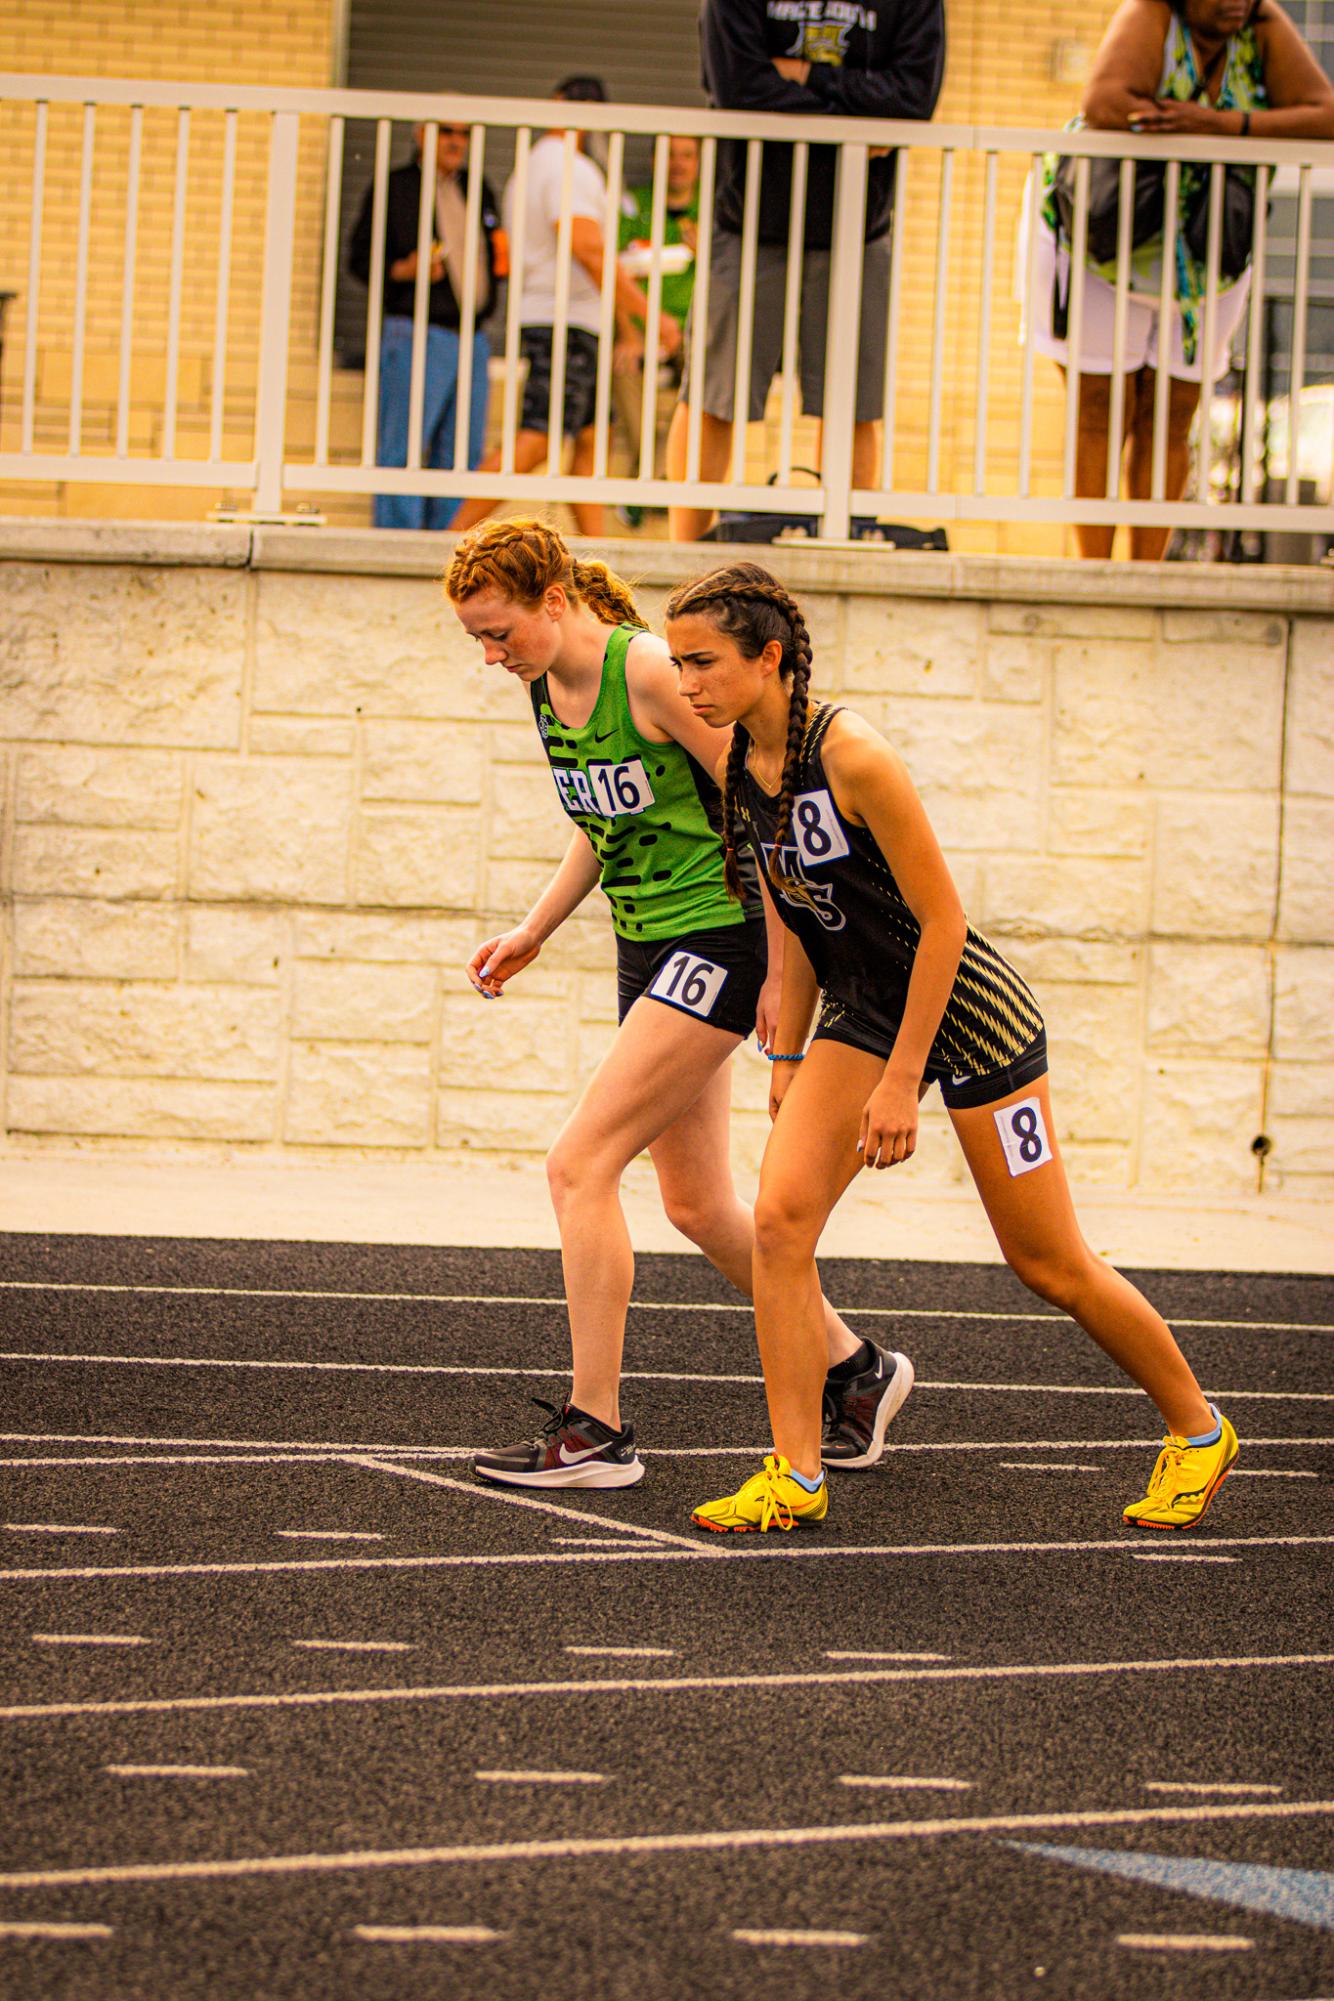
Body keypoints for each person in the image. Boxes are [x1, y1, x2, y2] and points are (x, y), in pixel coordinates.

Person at [662, 561, 1238, 1535]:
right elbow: (792, 919)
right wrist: (790, 1056)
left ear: (769, 657)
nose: (686, 685)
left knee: (1046, 1261)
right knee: (777, 1226)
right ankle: (795, 1475)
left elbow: (941, 924)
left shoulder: (853, 756)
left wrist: (897, 1087)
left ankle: (1196, 1430)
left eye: (703, 662)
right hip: (865, 1013)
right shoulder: (738, 765)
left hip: (968, 1016)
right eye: (677, 664)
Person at [444, 520, 911, 1490]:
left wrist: (784, 973)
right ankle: (854, 1370)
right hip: (644, 946)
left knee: (579, 1165)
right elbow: (604, 822)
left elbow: (762, 805)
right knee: (696, 1203)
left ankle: (596, 1430)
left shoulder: (650, 671)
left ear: (555, 601)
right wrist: (536, 927)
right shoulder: (546, 689)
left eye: (501, 633)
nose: (492, 658)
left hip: (718, 941)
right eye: (477, 641)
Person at [1023, 0, 1334, 560]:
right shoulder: (1151, 15)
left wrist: (1223, 127)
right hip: (1102, 233)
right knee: (1101, 402)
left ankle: (1146, 573)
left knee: (1172, 411)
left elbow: (1325, 115)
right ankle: (1093, 571)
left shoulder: (1261, 28)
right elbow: (1104, 103)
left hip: (1205, 249)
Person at [667, 0, 945, 542]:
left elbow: (913, 99)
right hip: (747, 219)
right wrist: (857, 103)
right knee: (712, 395)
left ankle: (846, 543)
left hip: (857, 224)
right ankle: (683, 557)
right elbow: (739, 87)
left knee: (853, 404)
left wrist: (805, 76)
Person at [450, 80, 681, 539]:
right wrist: (649, 316)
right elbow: (587, 249)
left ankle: (594, 562)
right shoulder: (564, 166)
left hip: (575, 319)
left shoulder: (540, 166)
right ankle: (444, 540)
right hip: (563, 322)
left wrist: (626, 323)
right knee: (537, 437)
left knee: (594, 438)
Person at [348, 122, 502, 530]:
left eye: (464, 134)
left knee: (461, 453)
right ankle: (396, 546)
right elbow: (358, 258)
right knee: (404, 448)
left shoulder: (477, 187)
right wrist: (403, 269)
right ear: (421, 134)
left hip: (472, 336)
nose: (456, 141)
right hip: (416, 329)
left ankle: (446, 555)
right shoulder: (398, 186)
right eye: (446, 131)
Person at [613, 135, 700, 503]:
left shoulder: (713, 214)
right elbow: (613, 274)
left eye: (686, 155)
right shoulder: (634, 206)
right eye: (669, 155)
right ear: (653, 160)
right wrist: (629, 334)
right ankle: (650, 472)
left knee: (708, 383)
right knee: (620, 367)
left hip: (693, 331)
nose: (677, 163)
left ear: (698, 163)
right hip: (643, 327)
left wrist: (708, 255)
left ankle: (649, 477)